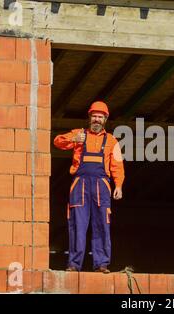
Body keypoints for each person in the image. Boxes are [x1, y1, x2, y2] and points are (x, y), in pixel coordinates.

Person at [53, 101, 124, 273]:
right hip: (80, 185)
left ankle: (101, 264)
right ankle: (74, 264)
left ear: (105, 119)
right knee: (78, 224)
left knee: (102, 224)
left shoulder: (112, 141)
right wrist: (73, 139)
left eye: (100, 117)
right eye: (94, 116)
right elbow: (57, 141)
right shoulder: (79, 134)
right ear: (90, 117)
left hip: (102, 186)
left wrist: (119, 185)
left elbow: (117, 165)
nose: (97, 119)